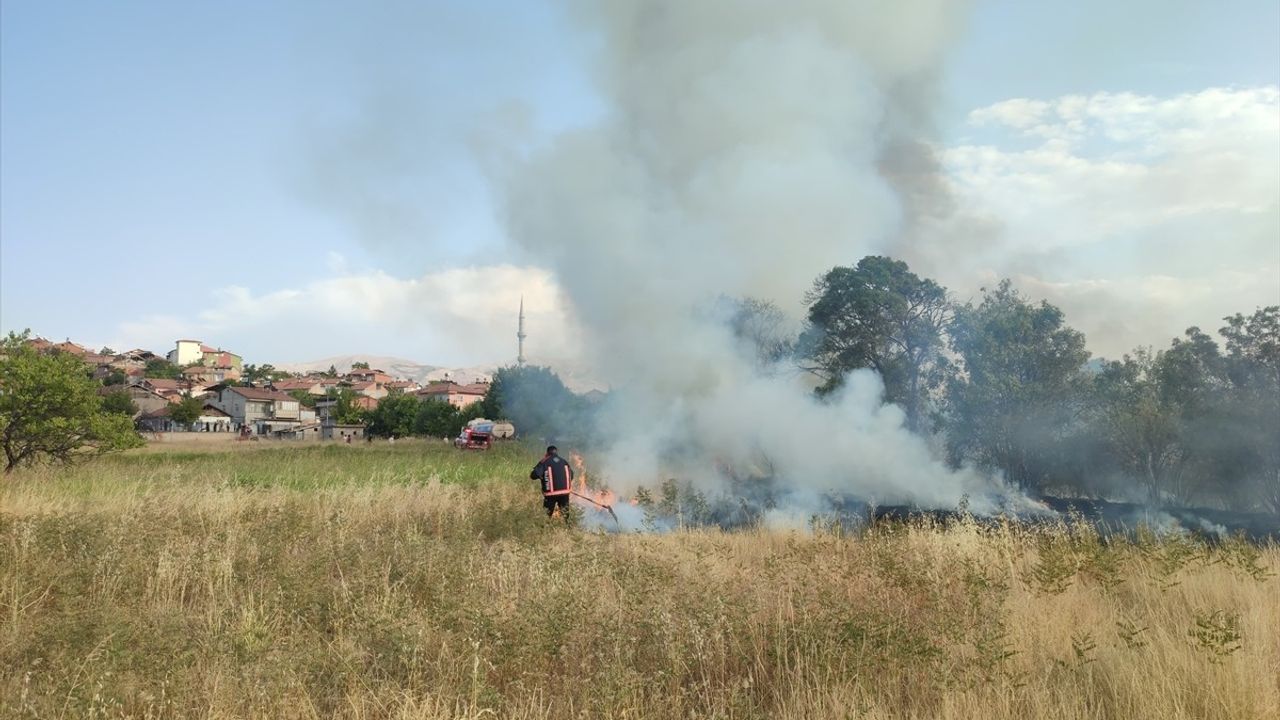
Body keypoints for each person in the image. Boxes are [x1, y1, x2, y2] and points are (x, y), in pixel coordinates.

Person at [531, 445, 573, 517]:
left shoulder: (544, 461)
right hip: (565, 492)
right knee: (565, 515)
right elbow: (571, 475)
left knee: (546, 515)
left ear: (547, 453)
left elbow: (534, 475)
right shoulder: (564, 461)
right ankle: (568, 527)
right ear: (556, 452)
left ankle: (545, 527)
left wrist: (542, 477)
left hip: (551, 493)